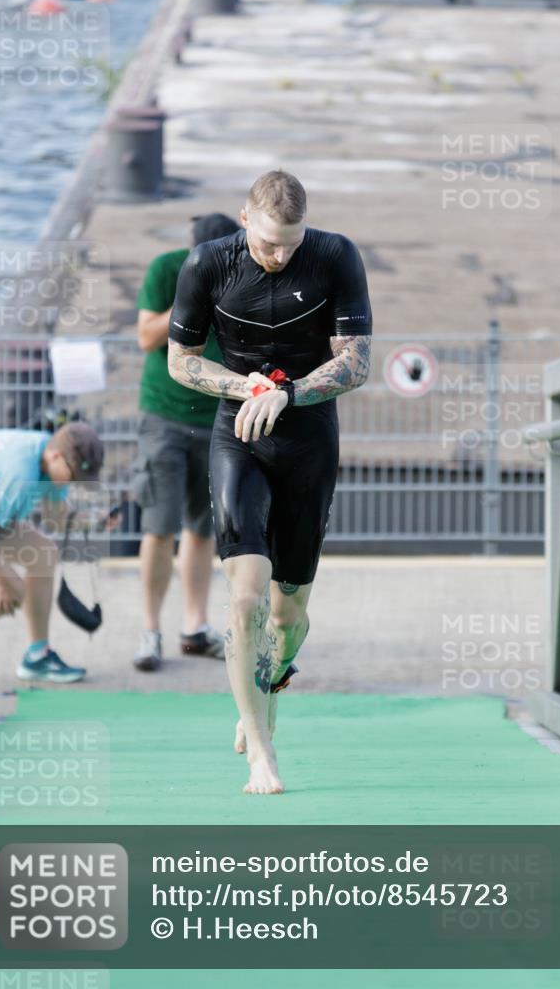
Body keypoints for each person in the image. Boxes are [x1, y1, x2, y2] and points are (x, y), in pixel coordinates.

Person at [167, 170, 372, 794]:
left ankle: (265, 683)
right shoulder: (209, 264)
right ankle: (262, 750)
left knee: (288, 616)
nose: (279, 256)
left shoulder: (335, 256)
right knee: (246, 596)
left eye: (290, 243)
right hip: (240, 434)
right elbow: (180, 360)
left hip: (308, 437)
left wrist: (291, 393)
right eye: (267, 243)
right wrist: (244, 388)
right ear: (244, 218)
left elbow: (357, 361)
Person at [133, 213, 240, 671]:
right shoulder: (166, 270)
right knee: (160, 527)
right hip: (164, 417)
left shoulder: (239, 277)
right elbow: (144, 337)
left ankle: (193, 628)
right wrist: (191, 294)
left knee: (202, 529)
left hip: (215, 418)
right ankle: (149, 631)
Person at [0, 421, 104, 683]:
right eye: (73, 477)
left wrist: (96, 521)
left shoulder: (49, 453)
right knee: (7, 593)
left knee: (44, 553)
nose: (75, 484)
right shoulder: (21, 471)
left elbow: (55, 519)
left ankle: (37, 657)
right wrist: (4, 581)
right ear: (56, 457)